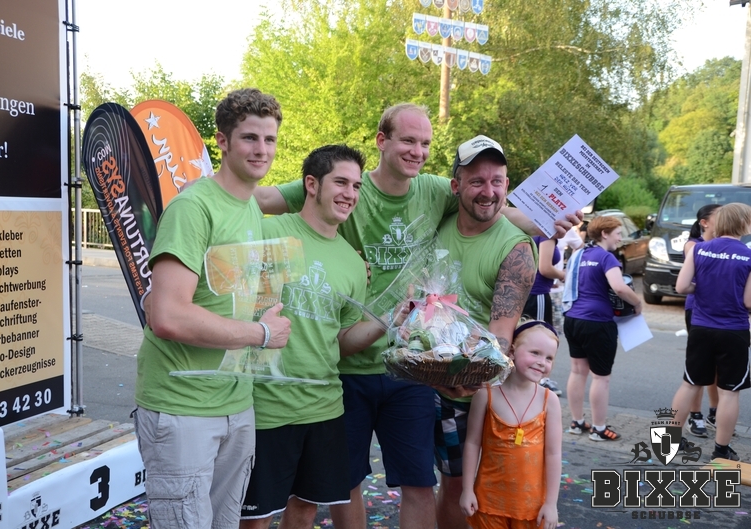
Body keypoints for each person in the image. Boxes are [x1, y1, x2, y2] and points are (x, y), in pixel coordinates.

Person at [254, 104, 580, 529]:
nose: (418, 151)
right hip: (347, 364)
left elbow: (488, 201)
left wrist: (543, 220)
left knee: (419, 481)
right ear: (381, 141)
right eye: (408, 140)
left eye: (425, 142)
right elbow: (262, 198)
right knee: (344, 482)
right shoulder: (345, 182)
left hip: (411, 369)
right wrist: (209, 190)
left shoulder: (433, 190)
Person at [134, 88, 292, 529]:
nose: (261, 150)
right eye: (249, 138)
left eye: (269, 139)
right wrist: (261, 334)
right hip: (182, 408)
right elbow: (167, 315)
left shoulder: (252, 208)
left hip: (236, 402)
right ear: (222, 141)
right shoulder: (193, 207)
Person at [240, 145, 404, 529]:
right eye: (341, 182)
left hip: (324, 407)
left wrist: (388, 321)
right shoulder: (267, 232)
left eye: (357, 186)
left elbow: (342, 340)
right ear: (312, 185)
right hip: (266, 404)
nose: (350, 193)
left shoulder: (353, 262)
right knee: (256, 518)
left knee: (305, 510)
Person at [433, 135, 538, 529]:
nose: (488, 192)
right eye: (477, 181)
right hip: (427, 380)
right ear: (456, 185)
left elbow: (501, 333)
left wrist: (470, 376)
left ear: (507, 186)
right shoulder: (439, 221)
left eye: (497, 181)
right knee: (450, 484)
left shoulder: (516, 248)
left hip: (474, 390)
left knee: (477, 487)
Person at [459, 319, 562, 529]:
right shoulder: (485, 395)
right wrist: (467, 489)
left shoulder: (549, 401)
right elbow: (472, 443)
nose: (542, 362)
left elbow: (553, 454)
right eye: (535, 353)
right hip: (488, 502)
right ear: (512, 352)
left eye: (549, 358)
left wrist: (551, 503)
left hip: (531, 507)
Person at [671, 202, 751, 461]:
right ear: (743, 224)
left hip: (701, 327)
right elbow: (748, 301)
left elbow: (681, 287)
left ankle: (669, 443)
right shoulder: (748, 255)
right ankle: (721, 450)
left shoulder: (699, 249)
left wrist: (704, 288)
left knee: (690, 384)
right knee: (729, 392)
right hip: (733, 330)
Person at [563, 215, 642, 442]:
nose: (620, 238)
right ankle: (599, 429)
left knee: (577, 372)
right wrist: (637, 303)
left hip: (573, 318)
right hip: (597, 322)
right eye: (617, 233)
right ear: (604, 234)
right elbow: (619, 287)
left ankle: (577, 422)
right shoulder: (607, 257)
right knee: (601, 378)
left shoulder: (579, 254)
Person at [682, 204, 721, 439]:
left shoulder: (725, 244)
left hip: (720, 311)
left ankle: (714, 413)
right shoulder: (694, 245)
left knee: (717, 367)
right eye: (720, 216)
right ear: (704, 222)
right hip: (698, 310)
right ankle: (694, 415)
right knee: (699, 366)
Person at [524, 235, 565, 396]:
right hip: (538, 292)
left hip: (528, 291)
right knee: (540, 339)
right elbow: (545, 268)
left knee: (527, 339)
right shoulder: (546, 234)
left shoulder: (532, 229)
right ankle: (538, 381)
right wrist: (562, 275)